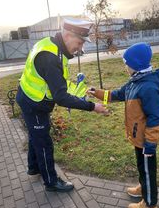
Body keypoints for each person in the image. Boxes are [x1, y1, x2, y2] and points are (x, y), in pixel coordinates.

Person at [16, 18, 108, 192]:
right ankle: (51, 182)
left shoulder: (53, 47)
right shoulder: (51, 57)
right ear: (67, 35)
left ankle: (33, 167)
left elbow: (60, 83)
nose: (81, 48)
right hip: (34, 103)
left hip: (31, 97)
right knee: (43, 141)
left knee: (35, 135)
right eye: (79, 42)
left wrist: (82, 92)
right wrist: (92, 107)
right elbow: (61, 96)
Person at [88, 42, 159, 208]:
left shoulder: (148, 87)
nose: (125, 66)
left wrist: (150, 144)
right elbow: (117, 94)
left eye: (127, 63)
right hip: (139, 138)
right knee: (142, 168)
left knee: (148, 170)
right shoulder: (135, 82)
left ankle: (149, 206)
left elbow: (155, 118)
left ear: (136, 65)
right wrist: (97, 93)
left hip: (147, 142)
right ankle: (143, 188)